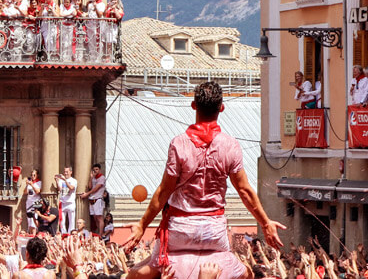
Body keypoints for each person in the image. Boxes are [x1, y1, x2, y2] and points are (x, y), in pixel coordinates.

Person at [123, 82, 286, 279]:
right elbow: (244, 191)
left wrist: (142, 224)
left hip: (180, 229)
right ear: (222, 108)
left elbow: (164, 191)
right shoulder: (230, 145)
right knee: (247, 274)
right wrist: (265, 222)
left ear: (193, 106)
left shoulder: (179, 143)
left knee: (135, 275)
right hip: (213, 231)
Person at [79, 163, 106, 234]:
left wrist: (86, 194)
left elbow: (96, 188)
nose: (95, 171)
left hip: (98, 199)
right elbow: (90, 187)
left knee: (99, 217)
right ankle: (97, 232)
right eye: (94, 170)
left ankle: (100, 233)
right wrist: (91, 178)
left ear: (100, 170)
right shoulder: (94, 178)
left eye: (97, 169)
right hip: (92, 199)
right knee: (95, 217)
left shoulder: (102, 178)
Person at [54, 166, 77, 233]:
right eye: (64, 172)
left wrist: (65, 181)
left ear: (71, 172)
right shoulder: (61, 180)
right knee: (62, 221)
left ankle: (71, 234)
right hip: (63, 202)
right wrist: (57, 181)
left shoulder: (73, 180)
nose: (65, 173)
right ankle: (64, 234)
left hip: (70, 202)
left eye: (67, 172)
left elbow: (71, 188)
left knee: (71, 221)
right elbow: (59, 189)